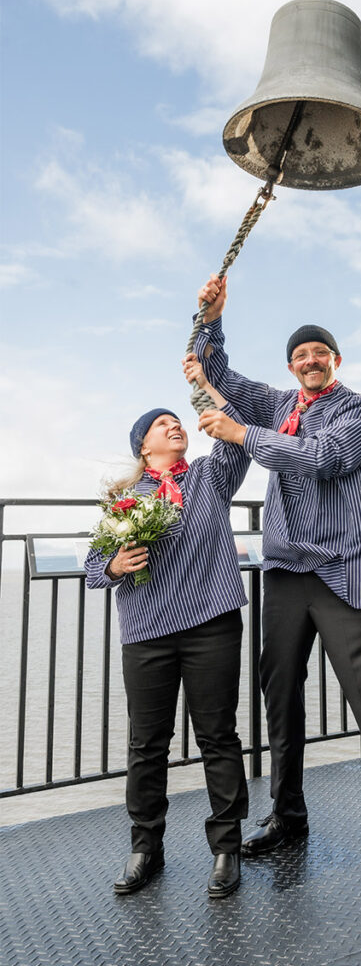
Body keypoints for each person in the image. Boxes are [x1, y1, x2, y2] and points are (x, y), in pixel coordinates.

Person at [183, 274, 361, 912]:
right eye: (299, 355)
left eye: (319, 352)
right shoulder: (277, 404)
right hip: (285, 574)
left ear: (336, 361)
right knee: (280, 700)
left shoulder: (358, 413)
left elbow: (320, 458)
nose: (309, 360)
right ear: (292, 367)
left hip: (344, 574)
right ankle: (288, 815)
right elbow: (222, 378)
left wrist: (241, 436)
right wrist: (211, 320)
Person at [85, 368, 251, 899]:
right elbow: (92, 568)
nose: (174, 425)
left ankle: (226, 849)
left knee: (218, 736)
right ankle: (145, 848)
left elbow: (237, 434)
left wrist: (210, 382)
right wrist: (114, 565)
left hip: (212, 623)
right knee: (147, 743)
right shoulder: (122, 499)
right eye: (162, 424)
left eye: (178, 421)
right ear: (143, 445)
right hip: (147, 632)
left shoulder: (209, 475)